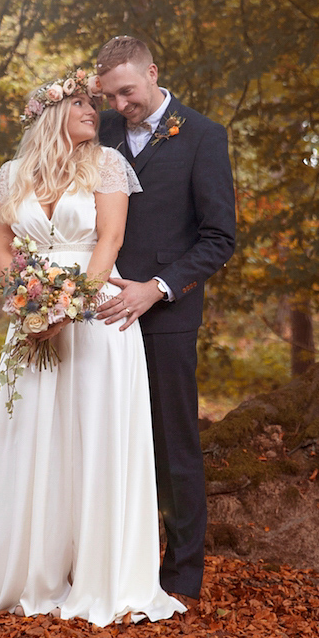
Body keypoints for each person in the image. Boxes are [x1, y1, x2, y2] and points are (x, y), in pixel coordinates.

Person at [0, 69, 185, 627]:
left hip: (97, 317)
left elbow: (108, 241)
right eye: (83, 102)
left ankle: (100, 574)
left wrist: (72, 305)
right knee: (30, 435)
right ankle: (25, 568)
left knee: (94, 435)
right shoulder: (11, 175)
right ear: (51, 114)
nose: (96, 110)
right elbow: (1, 243)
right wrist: (25, 300)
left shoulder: (108, 164)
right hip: (31, 316)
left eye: (96, 101)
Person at [94, 36, 237, 605]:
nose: (120, 105)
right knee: (100, 441)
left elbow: (219, 238)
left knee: (173, 445)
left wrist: (156, 289)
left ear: (153, 73)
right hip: (95, 318)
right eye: (110, 95)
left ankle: (181, 576)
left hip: (164, 317)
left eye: (127, 91)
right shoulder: (97, 130)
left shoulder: (203, 136)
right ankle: (106, 566)